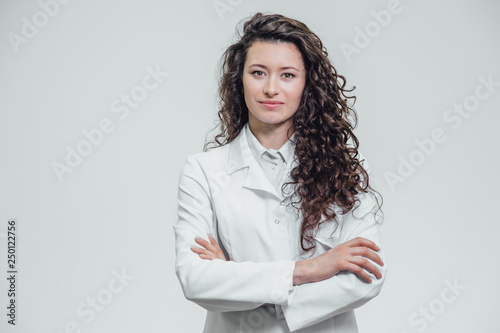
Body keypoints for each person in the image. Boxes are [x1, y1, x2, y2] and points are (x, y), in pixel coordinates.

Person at [173, 12, 387, 333]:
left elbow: (366, 277)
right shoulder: (203, 171)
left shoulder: (345, 169)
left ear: (306, 84)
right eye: (258, 72)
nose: (271, 88)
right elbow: (196, 279)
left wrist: (235, 277)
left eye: (287, 75)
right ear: (239, 80)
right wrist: (310, 269)